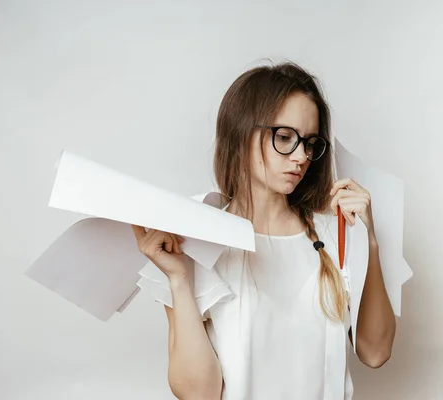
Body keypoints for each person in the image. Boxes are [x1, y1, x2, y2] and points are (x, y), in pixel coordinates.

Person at [131, 61, 396, 400]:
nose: (301, 156)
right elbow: (199, 394)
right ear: (241, 134)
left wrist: (368, 242)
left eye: (310, 143)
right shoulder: (194, 244)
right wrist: (179, 279)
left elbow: (375, 352)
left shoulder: (336, 237)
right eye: (285, 137)